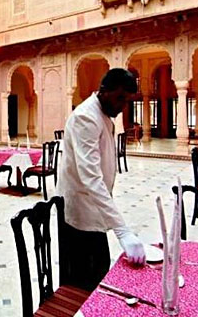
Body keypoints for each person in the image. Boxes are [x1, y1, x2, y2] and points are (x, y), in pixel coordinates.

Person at [57, 68, 145, 291]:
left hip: (94, 208)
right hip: (79, 213)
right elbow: (91, 177)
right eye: (119, 98)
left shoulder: (102, 113)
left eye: (126, 100)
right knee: (83, 282)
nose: (122, 105)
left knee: (100, 270)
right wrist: (122, 231)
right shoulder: (86, 117)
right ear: (103, 91)